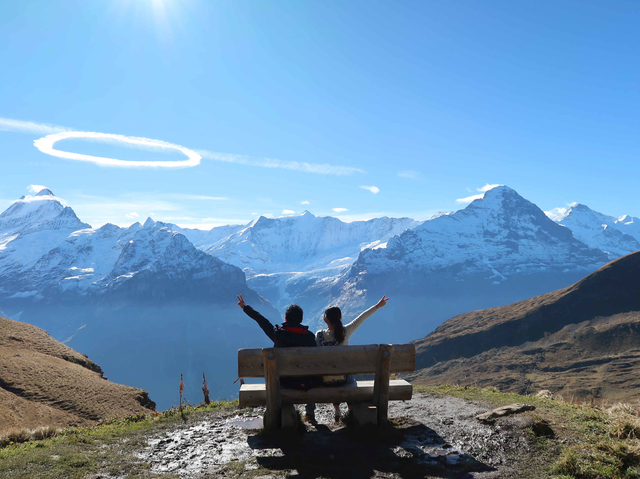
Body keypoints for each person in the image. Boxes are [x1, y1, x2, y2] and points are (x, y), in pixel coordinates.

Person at [236, 294, 318, 418]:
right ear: (301, 320)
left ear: (285, 319)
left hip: (283, 382)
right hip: (306, 382)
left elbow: (261, 320)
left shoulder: (277, 333)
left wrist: (245, 307)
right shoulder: (310, 337)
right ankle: (310, 413)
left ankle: (283, 414)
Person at [315, 295, 390, 422]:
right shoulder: (346, 332)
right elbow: (362, 318)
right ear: (340, 318)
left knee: (331, 373)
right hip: (344, 379)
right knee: (346, 376)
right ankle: (350, 410)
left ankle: (337, 409)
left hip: (325, 379)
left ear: (325, 319)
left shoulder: (319, 335)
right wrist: (377, 306)